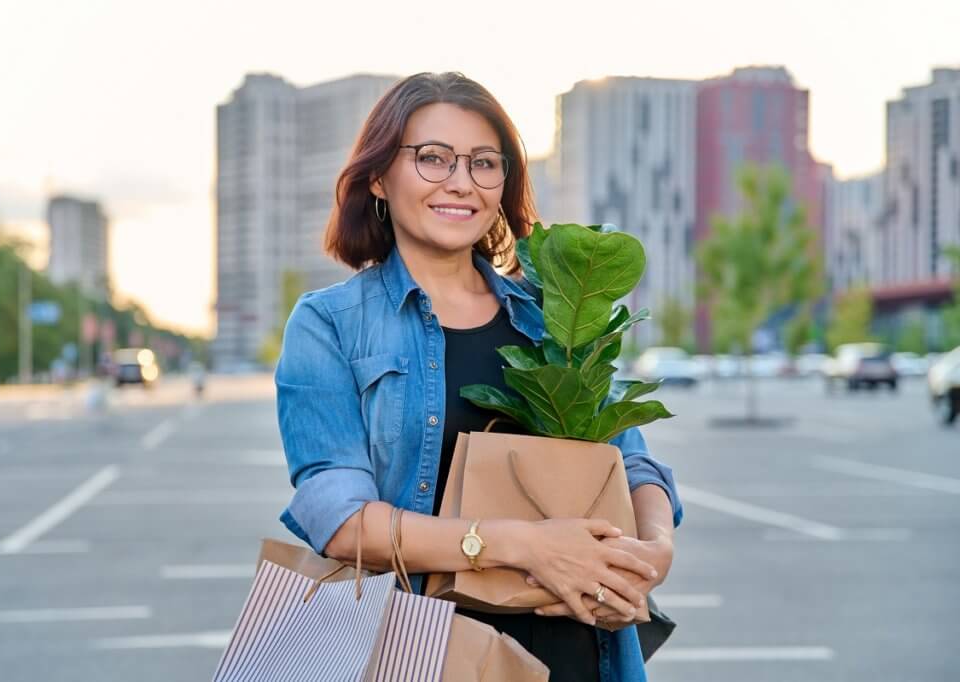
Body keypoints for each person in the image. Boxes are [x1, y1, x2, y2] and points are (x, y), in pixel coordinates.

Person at [275, 72, 683, 682]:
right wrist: (524, 545)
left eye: (484, 163)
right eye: (433, 159)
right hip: (421, 655)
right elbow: (340, 520)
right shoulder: (330, 325)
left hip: (580, 653)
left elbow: (633, 463)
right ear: (381, 177)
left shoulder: (552, 316)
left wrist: (653, 551)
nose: (461, 182)